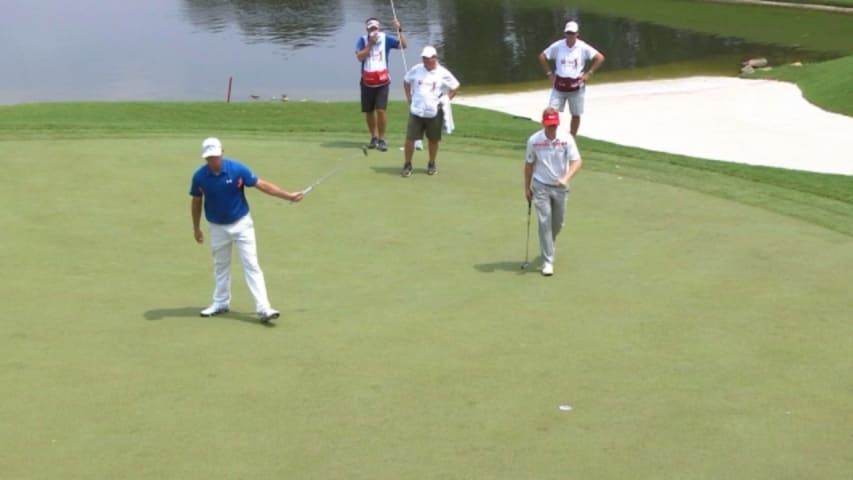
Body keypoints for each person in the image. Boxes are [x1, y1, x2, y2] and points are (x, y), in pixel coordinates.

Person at [189, 137, 304, 323]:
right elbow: (196, 201)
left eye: (216, 156)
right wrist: (196, 228)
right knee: (221, 266)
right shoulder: (200, 177)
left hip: (242, 224)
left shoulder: (237, 170)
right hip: (217, 227)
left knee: (251, 265)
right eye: (209, 157)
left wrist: (287, 195)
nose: (213, 161)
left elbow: (262, 185)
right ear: (205, 158)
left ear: (222, 152)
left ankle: (264, 308)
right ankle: (220, 303)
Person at [524, 108, 583, 276]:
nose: (552, 128)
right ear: (543, 123)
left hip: (560, 187)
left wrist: (565, 178)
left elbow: (577, 161)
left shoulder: (566, 139)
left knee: (557, 224)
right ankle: (548, 262)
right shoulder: (534, 140)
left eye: (554, 125)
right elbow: (529, 164)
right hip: (540, 185)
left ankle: (549, 243)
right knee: (544, 223)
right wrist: (526, 188)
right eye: (549, 125)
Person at [538, 20, 605, 137]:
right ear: (565, 34)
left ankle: (572, 138)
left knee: (576, 114)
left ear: (577, 34)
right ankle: (551, 136)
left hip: (576, 86)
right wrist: (549, 74)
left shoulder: (582, 47)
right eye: (568, 33)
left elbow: (599, 58)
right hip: (559, 85)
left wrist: (588, 74)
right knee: (551, 112)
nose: (570, 36)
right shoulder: (559, 45)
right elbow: (543, 56)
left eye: (573, 33)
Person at [401, 45, 460, 177]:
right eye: (424, 58)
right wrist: (409, 98)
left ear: (435, 58)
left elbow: (455, 86)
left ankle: (432, 163)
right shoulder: (416, 69)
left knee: (433, 139)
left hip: (434, 111)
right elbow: (406, 81)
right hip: (416, 110)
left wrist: (446, 99)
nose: (425, 61)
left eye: (428, 58)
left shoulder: (442, 72)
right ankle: (407, 164)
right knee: (410, 138)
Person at [355, 17, 407, 152]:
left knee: (381, 110)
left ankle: (382, 139)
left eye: (375, 28)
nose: (373, 30)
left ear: (379, 28)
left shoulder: (386, 38)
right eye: (371, 28)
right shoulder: (362, 40)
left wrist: (399, 29)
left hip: (383, 81)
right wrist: (370, 45)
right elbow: (360, 57)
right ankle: (373, 137)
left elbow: (403, 45)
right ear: (367, 29)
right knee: (369, 111)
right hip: (367, 80)